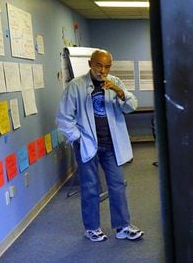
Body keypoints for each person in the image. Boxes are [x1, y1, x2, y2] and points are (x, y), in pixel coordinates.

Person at [56, 49, 144, 242]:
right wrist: (79, 138)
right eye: (99, 65)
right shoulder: (76, 86)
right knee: (90, 187)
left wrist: (118, 91)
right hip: (88, 144)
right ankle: (92, 228)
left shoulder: (115, 82)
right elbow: (64, 117)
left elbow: (131, 107)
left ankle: (122, 226)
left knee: (117, 184)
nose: (102, 70)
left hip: (111, 145)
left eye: (107, 66)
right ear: (90, 64)